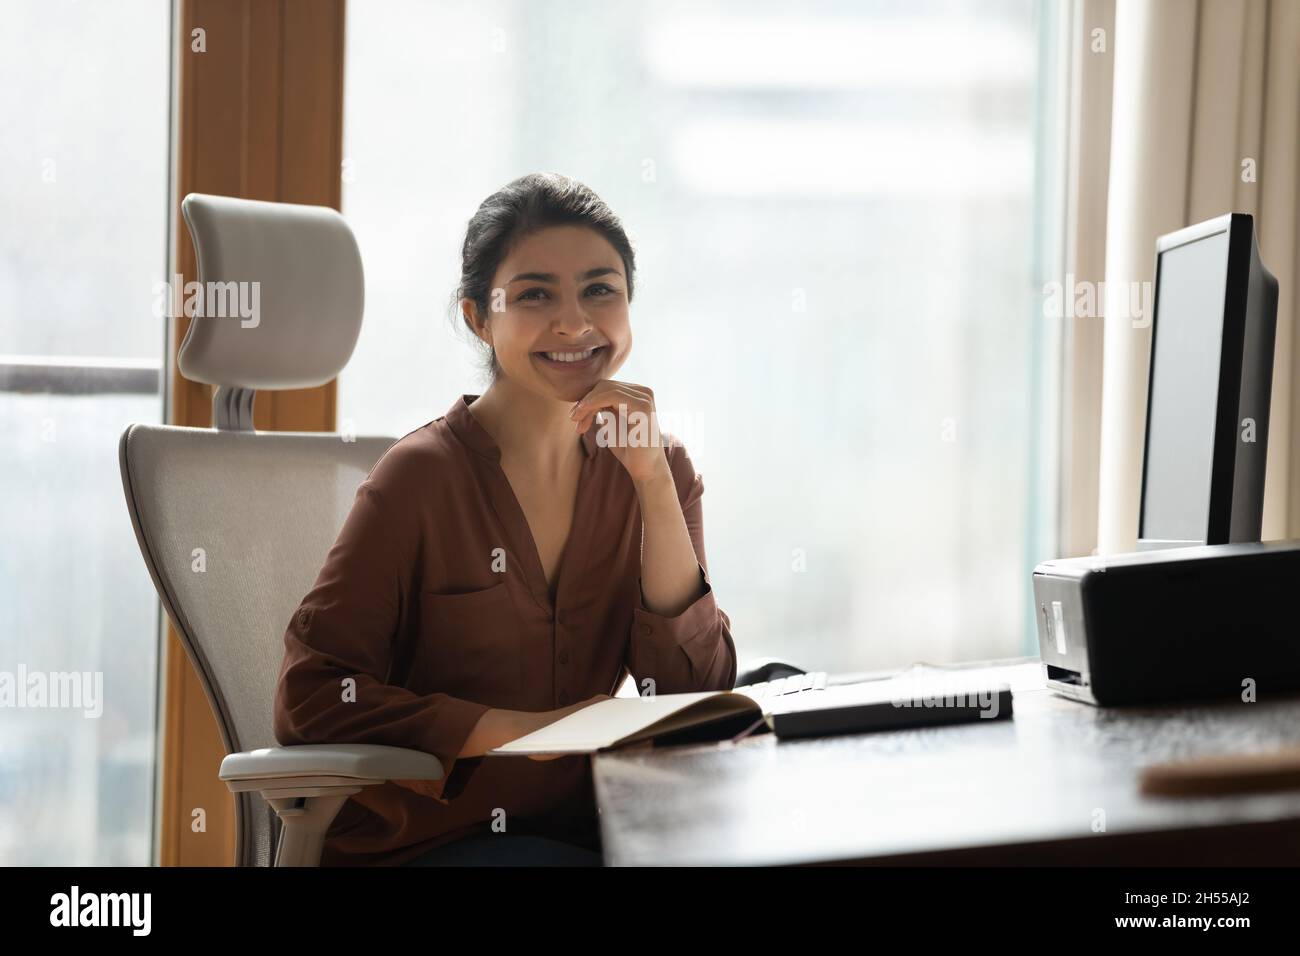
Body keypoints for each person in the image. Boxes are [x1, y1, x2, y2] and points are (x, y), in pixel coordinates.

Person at [273, 172, 736, 866]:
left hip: (597, 832)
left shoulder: (656, 466)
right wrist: (520, 731)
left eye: (599, 290)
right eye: (534, 295)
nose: (574, 322)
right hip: (430, 845)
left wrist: (652, 484)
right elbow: (311, 699)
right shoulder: (418, 479)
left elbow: (692, 697)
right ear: (477, 318)